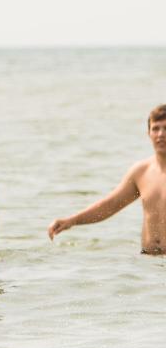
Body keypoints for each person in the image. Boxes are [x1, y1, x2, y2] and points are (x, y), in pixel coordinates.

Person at [48, 105, 166, 254]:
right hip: (149, 262)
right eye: (155, 128)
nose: (161, 134)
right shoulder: (141, 172)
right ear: (148, 133)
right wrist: (72, 220)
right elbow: (110, 205)